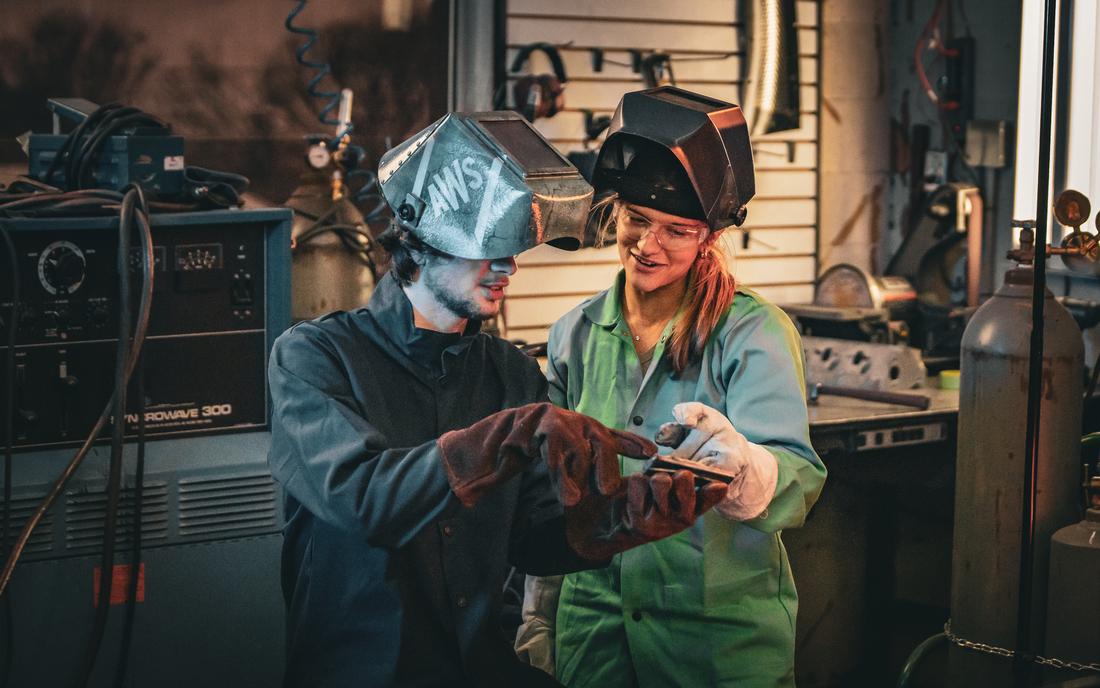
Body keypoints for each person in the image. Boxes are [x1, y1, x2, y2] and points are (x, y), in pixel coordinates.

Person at [266, 110, 725, 687]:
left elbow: (530, 541)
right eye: (492, 245)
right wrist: (499, 438)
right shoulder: (313, 358)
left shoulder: (509, 373)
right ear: (424, 234)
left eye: (516, 248)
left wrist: (615, 521)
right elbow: (362, 500)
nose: (510, 266)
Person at [515, 87, 827, 687]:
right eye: (637, 220)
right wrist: (540, 617)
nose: (647, 244)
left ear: (708, 236)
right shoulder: (573, 336)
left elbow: (799, 478)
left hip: (713, 647)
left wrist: (749, 472)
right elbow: (548, 494)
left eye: (676, 231)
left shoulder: (752, 334)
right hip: (596, 639)